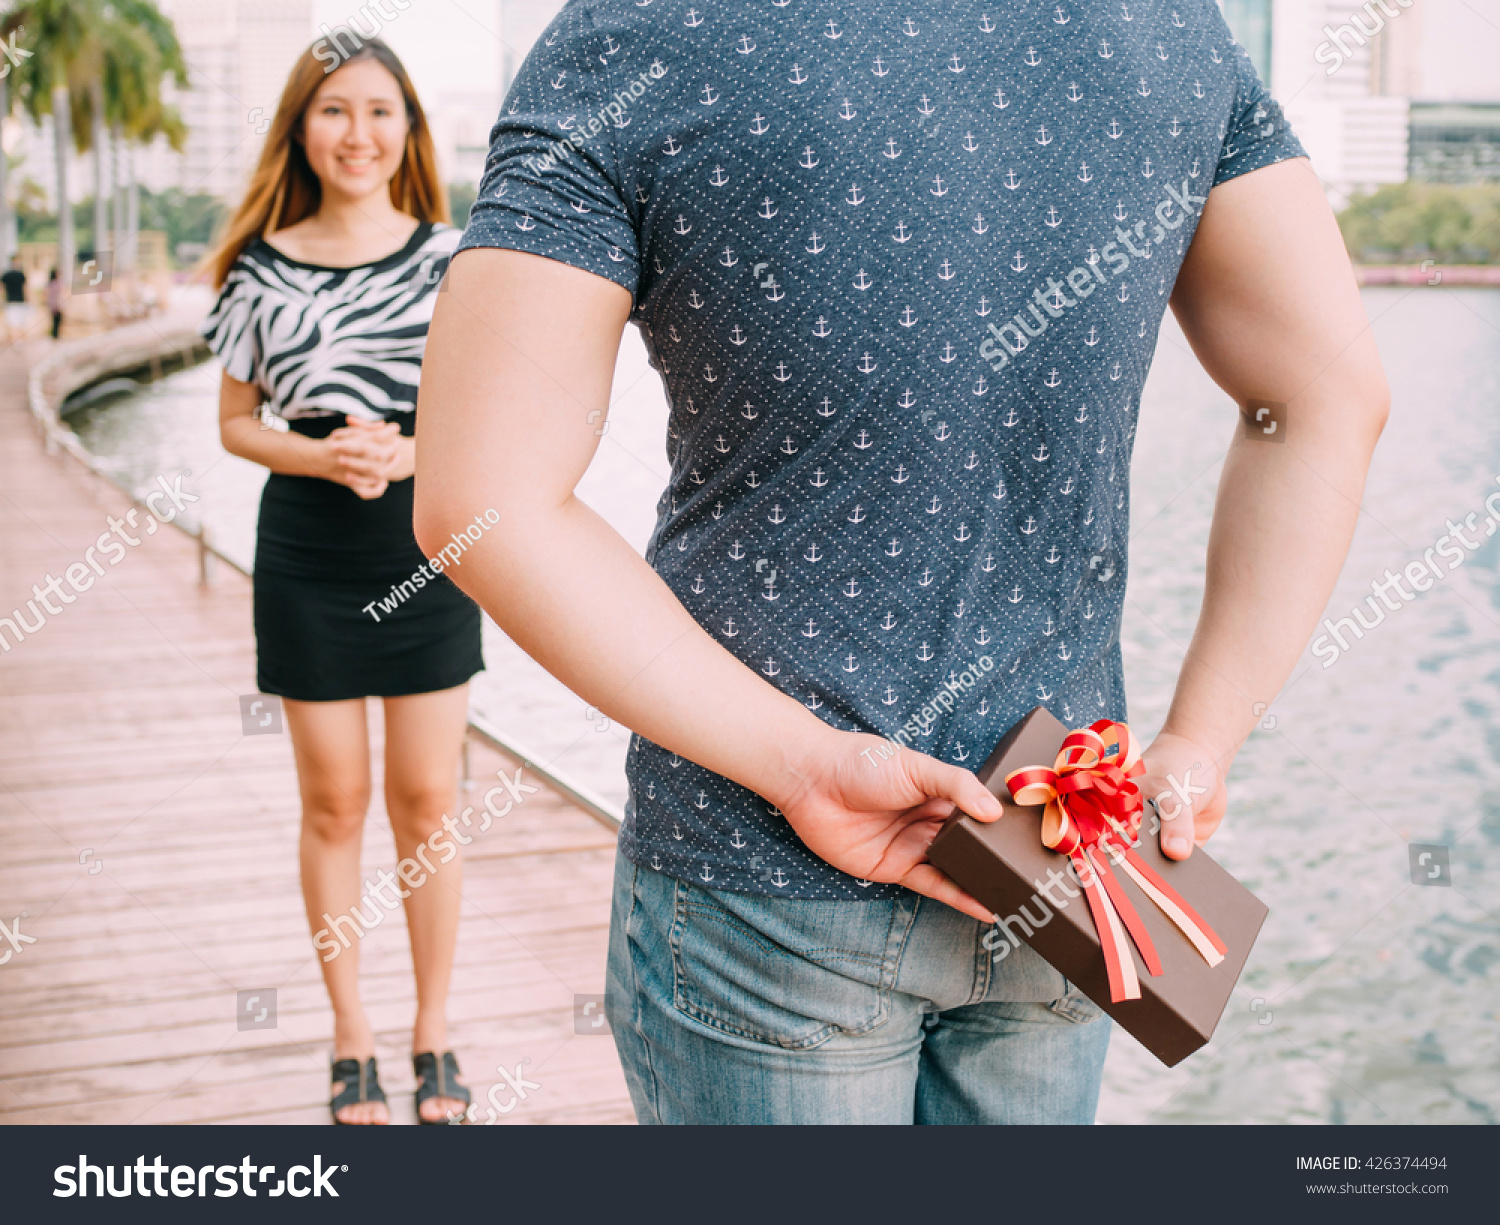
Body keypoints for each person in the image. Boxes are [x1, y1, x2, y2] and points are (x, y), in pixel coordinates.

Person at [415, 3, 1389, 1123]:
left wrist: (807, 766)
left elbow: (479, 500)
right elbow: (1326, 398)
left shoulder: (633, 33)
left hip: (765, 869)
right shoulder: (1168, 24)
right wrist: (1201, 745)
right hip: (1064, 845)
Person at [200, 38, 483, 1125]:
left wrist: (411, 453)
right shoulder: (258, 264)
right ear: (300, 127)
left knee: (429, 802)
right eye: (333, 111)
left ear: (408, 128)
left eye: (379, 111)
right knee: (333, 801)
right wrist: (322, 454)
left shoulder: (455, 257)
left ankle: (433, 1031)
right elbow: (234, 423)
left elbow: (484, 406)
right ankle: (352, 1033)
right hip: (309, 548)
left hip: (424, 539)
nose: (357, 134)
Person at [2, 255, 29, 343]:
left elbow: (1, 289)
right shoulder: (20, 274)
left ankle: (15, 340)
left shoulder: (6, 275)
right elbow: (25, 289)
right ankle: (18, 340)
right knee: (18, 322)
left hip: (12, 302)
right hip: (16, 302)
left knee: (13, 323)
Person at [45, 267, 62, 340]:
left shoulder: (49, 283)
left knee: (54, 319)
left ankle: (54, 334)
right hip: (56, 303)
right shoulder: (57, 283)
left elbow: (46, 293)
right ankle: (55, 334)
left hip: (52, 303)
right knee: (57, 319)